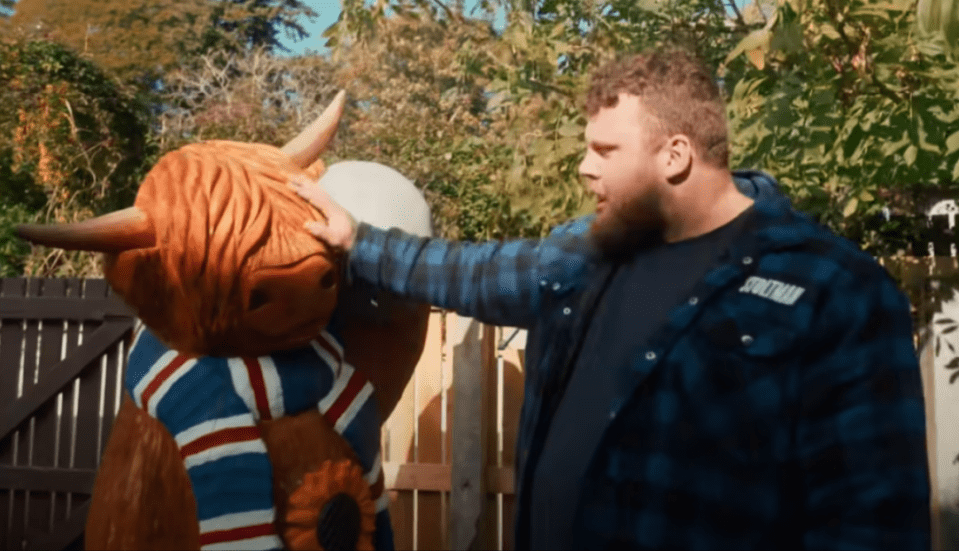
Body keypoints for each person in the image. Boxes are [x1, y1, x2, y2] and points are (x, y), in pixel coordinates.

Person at [289, 49, 930, 549]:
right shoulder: (585, 254)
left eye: (604, 151)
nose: (583, 167)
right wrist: (356, 240)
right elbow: (469, 272)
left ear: (675, 155)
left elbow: (872, 519)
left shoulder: (835, 291)